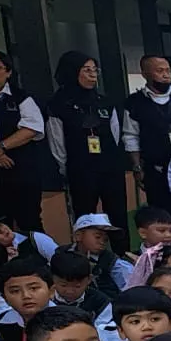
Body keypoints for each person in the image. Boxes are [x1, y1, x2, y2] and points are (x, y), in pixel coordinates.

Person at [48, 51, 130, 252]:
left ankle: (123, 256)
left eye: (95, 70)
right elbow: (57, 143)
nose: (93, 75)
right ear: (72, 72)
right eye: (87, 70)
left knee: (118, 214)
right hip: (81, 169)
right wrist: (66, 169)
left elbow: (115, 132)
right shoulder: (58, 105)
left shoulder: (104, 102)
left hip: (110, 167)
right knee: (85, 216)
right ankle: (88, 258)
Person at [122, 54, 171, 234]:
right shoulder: (134, 104)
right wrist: (136, 167)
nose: (166, 75)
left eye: (167, 70)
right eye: (159, 71)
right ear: (145, 74)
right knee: (161, 216)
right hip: (156, 171)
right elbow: (131, 137)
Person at [0, 49, 46, 232]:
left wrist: (0, 147)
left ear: (8, 71)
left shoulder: (21, 97)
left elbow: (32, 128)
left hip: (21, 170)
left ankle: (35, 259)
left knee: (29, 220)